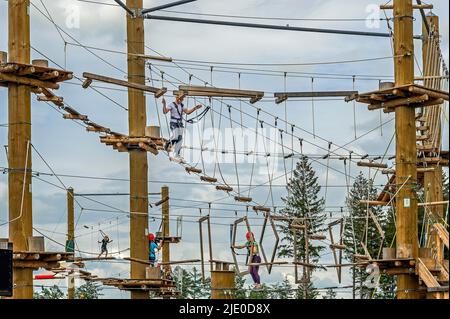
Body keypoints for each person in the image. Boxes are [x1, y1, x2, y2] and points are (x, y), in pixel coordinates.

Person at [162, 93, 203, 162]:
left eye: (182, 99)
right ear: (177, 98)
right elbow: (165, 112)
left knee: (180, 139)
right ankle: (167, 144)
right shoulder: (171, 104)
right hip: (173, 123)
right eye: (180, 99)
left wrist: (195, 108)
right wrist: (164, 104)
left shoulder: (181, 105)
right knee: (175, 136)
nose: (181, 100)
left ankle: (176, 154)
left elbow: (187, 112)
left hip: (180, 123)